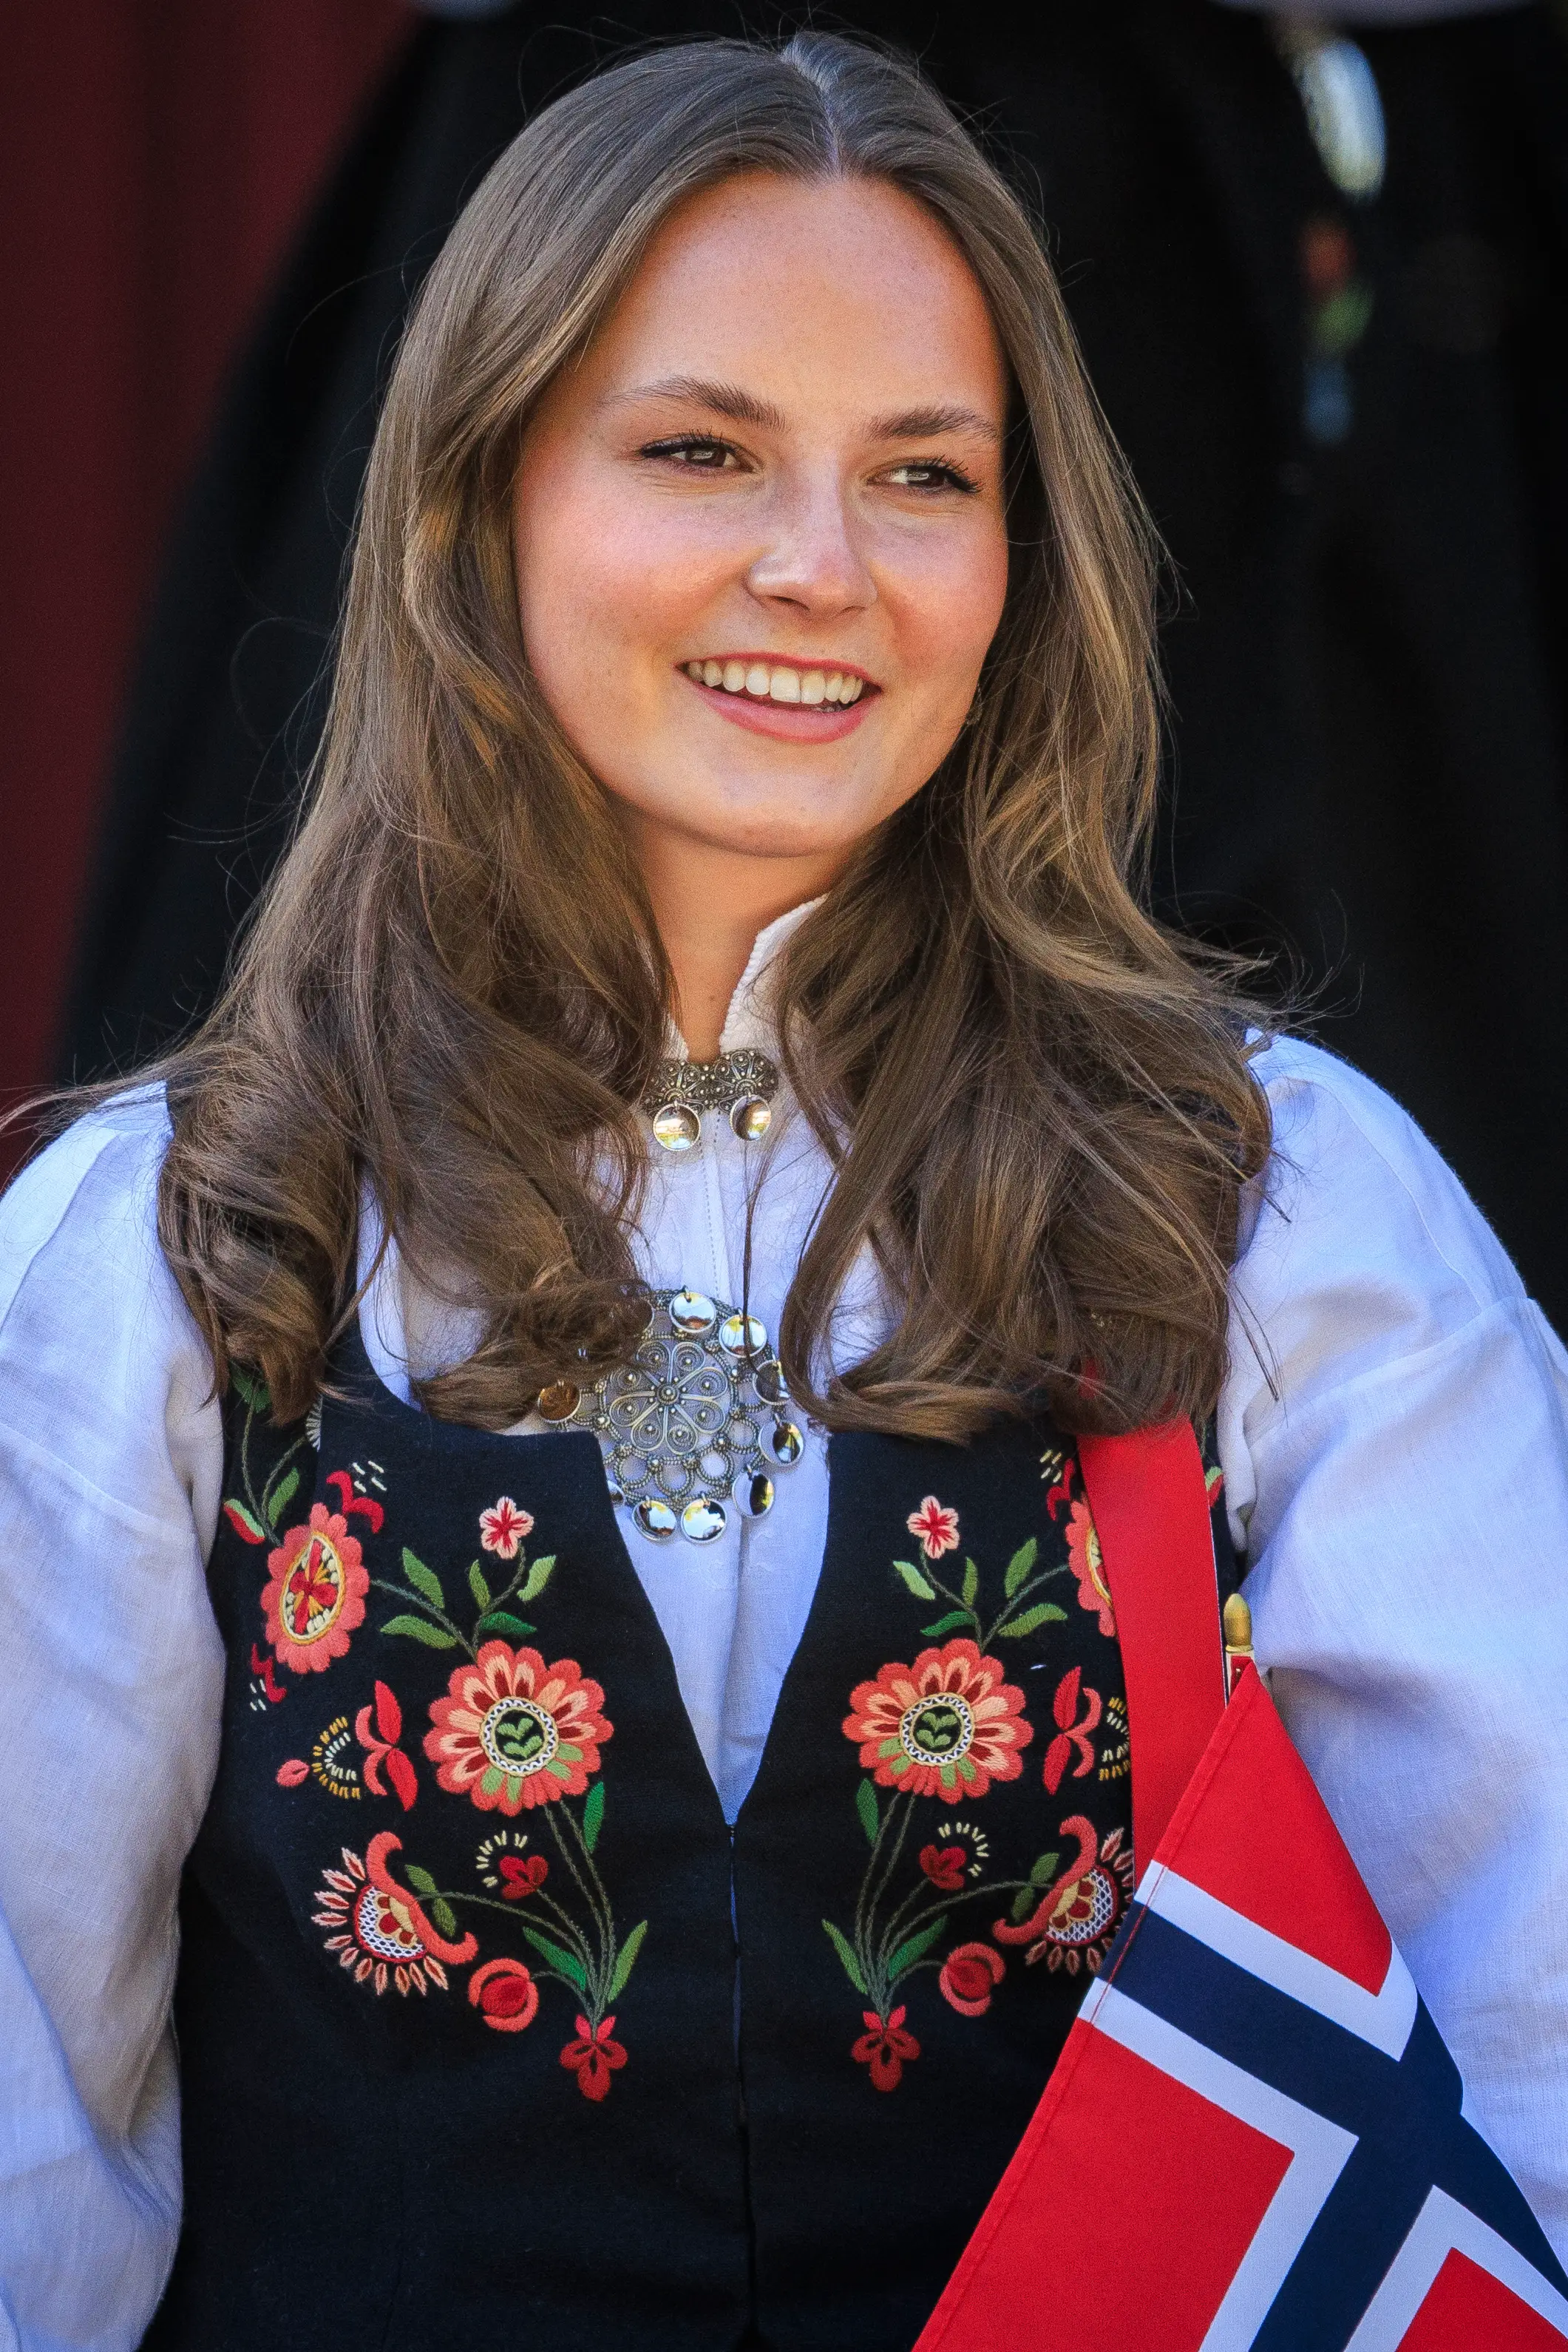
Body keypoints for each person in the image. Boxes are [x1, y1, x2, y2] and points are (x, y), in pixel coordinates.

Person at [1, 31, 1564, 2351]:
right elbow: (34, 2161)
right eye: (701, 448)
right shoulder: (165, 1246)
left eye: (923, 474)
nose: (818, 567)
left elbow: (1533, 2065)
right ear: (481, 500)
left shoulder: (1284, 1218)